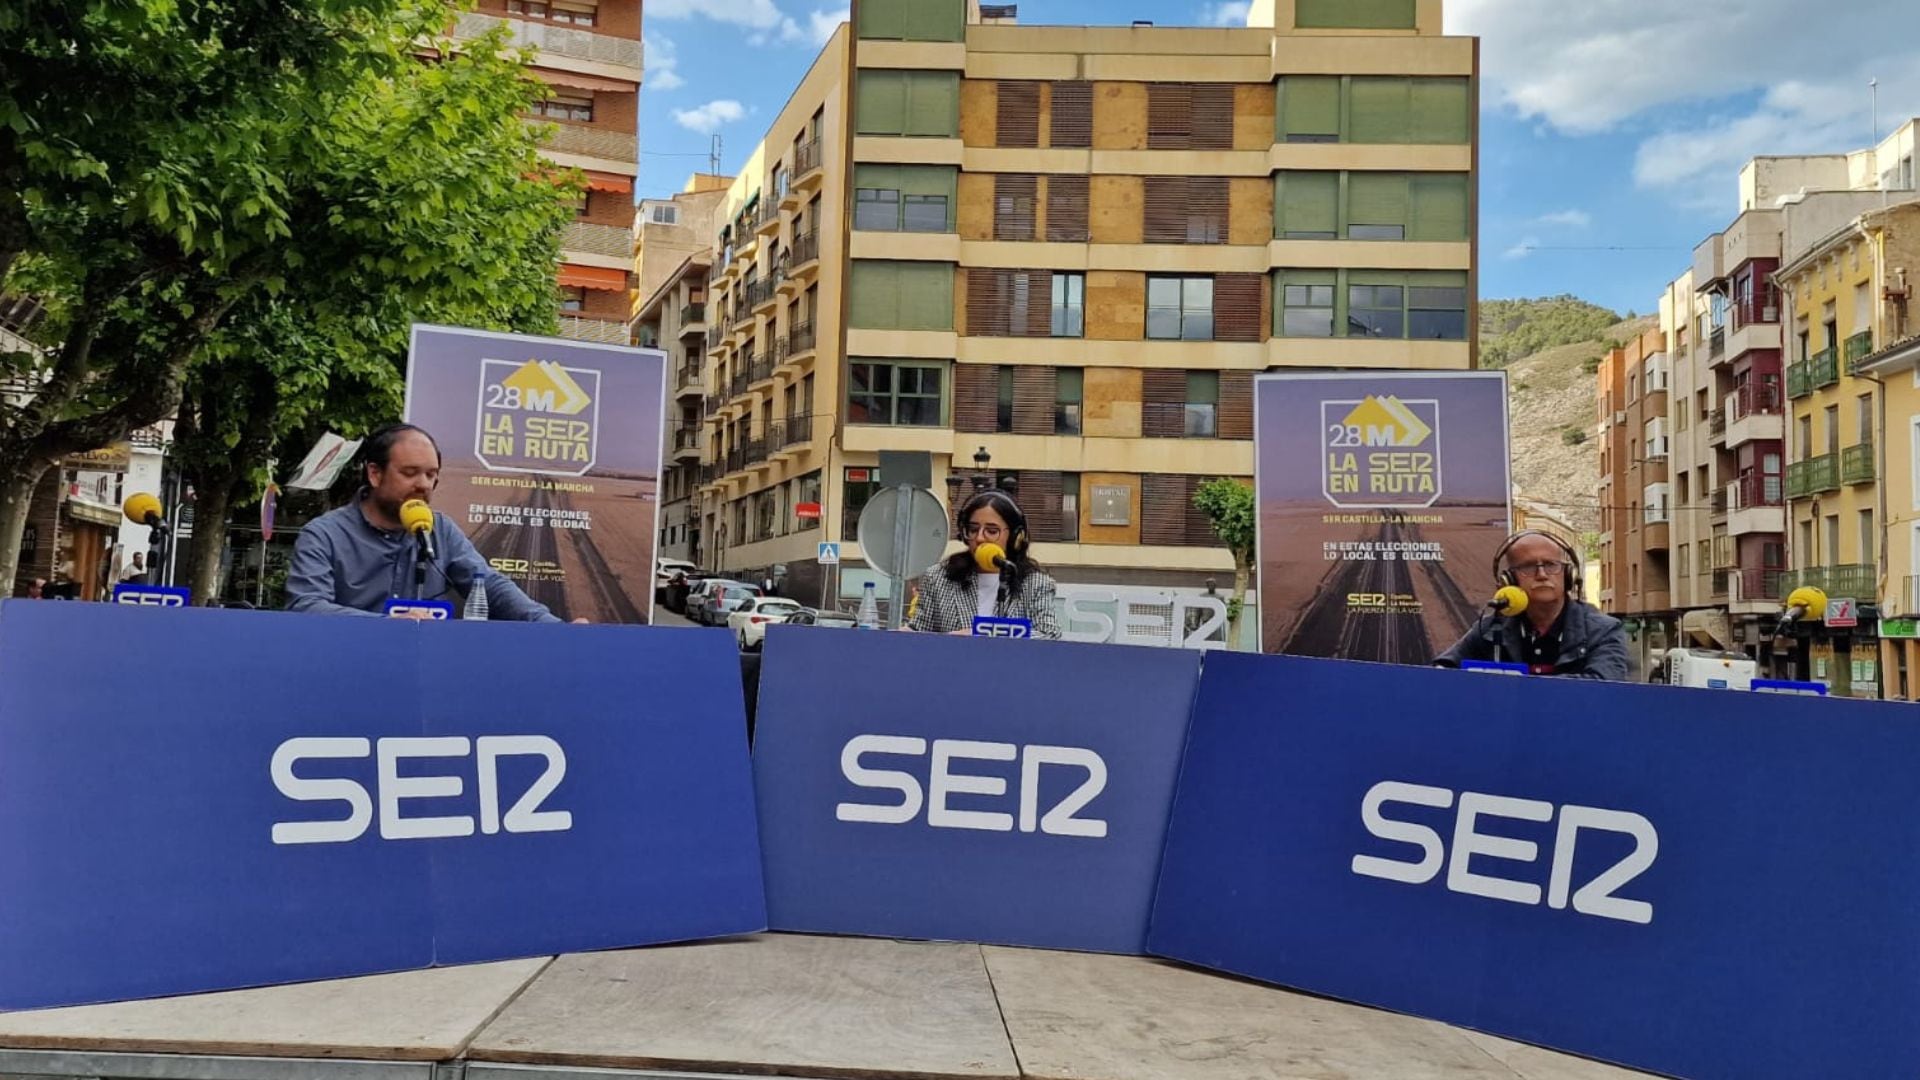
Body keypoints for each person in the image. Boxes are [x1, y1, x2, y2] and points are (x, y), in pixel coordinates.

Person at [286, 423, 564, 622]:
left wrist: (550, 626)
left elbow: (490, 585)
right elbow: (306, 605)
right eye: (410, 473)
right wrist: (387, 624)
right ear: (374, 473)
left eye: (431, 475)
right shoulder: (324, 534)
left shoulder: (440, 529)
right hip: (349, 670)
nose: (423, 484)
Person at [1434, 529, 1628, 680]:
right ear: (1509, 580)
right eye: (1528, 566)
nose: (1542, 574)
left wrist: (1519, 687)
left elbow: (1603, 688)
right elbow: (1441, 671)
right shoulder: (1491, 628)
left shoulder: (1604, 631)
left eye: (1551, 565)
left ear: (1569, 576)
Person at [907, 488, 1061, 639]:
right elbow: (919, 631)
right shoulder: (938, 577)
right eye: (973, 529)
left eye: (992, 531)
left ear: (1016, 537)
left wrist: (981, 633)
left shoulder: (1036, 584)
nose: (980, 538)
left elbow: (1049, 635)